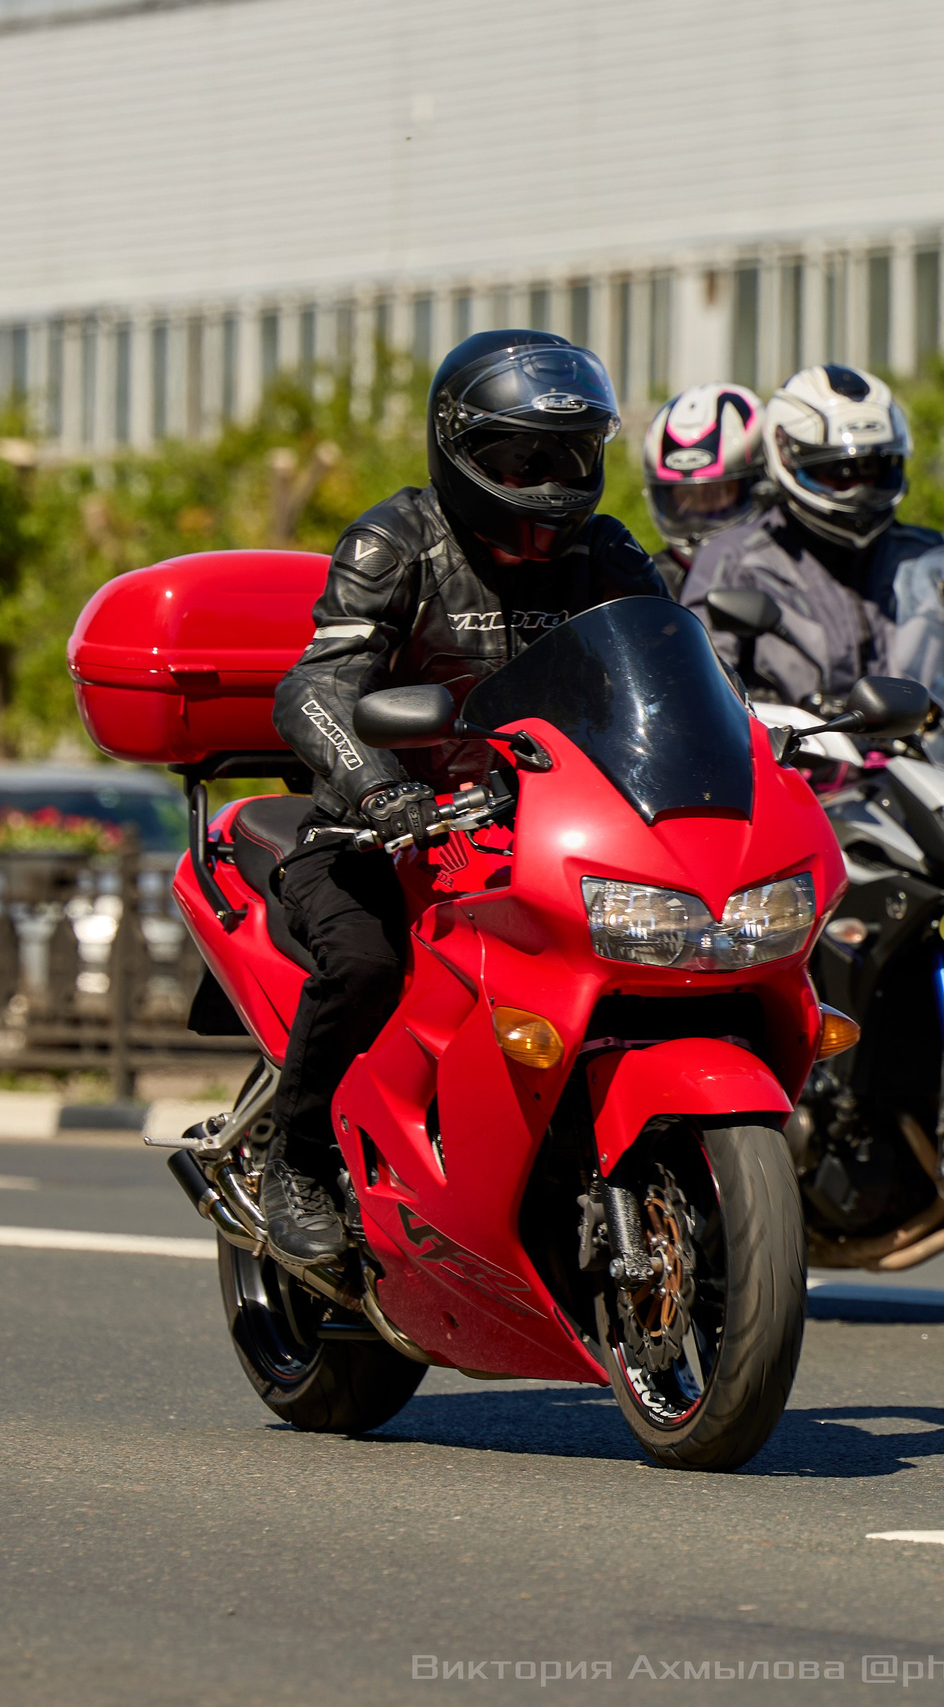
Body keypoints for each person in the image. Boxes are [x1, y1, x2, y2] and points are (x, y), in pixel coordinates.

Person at [262, 329, 665, 1262]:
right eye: (519, 455)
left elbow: (676, 666)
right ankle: (301, 1156)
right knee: (363, 962)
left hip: (548, 830)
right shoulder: (396, 539)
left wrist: (751, 737)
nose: (546, 478)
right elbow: (314, 686)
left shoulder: (602, 551)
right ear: (455, 444)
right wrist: (379, 789)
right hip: (382, 831)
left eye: (567, 455)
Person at [680, 364, 944, 707]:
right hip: (796, 756)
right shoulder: (736, 560)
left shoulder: (932, 557)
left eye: (874, 469)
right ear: (788, 458)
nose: (859, 491)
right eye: (839, 473)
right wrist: (770, 719)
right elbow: (698, 688)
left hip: (920, 757)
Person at [640, 383, 765, 596]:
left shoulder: (790, 574)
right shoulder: (644, 585)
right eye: (687, 495)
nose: (701, 511)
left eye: (717, 492)